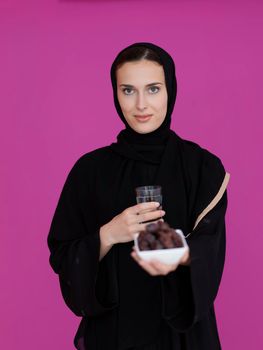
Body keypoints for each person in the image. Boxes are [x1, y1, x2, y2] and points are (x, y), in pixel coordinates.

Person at [47, 42, 230, 350]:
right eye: (128, 90)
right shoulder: (90, 170)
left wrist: (179, 254)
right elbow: (63, 254)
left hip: (181, 338)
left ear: (170, 89)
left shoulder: (203, 168)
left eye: (153, 89)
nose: (141, 104)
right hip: (115, 334)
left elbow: (210, 246)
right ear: (115, 94)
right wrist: (108, 234)